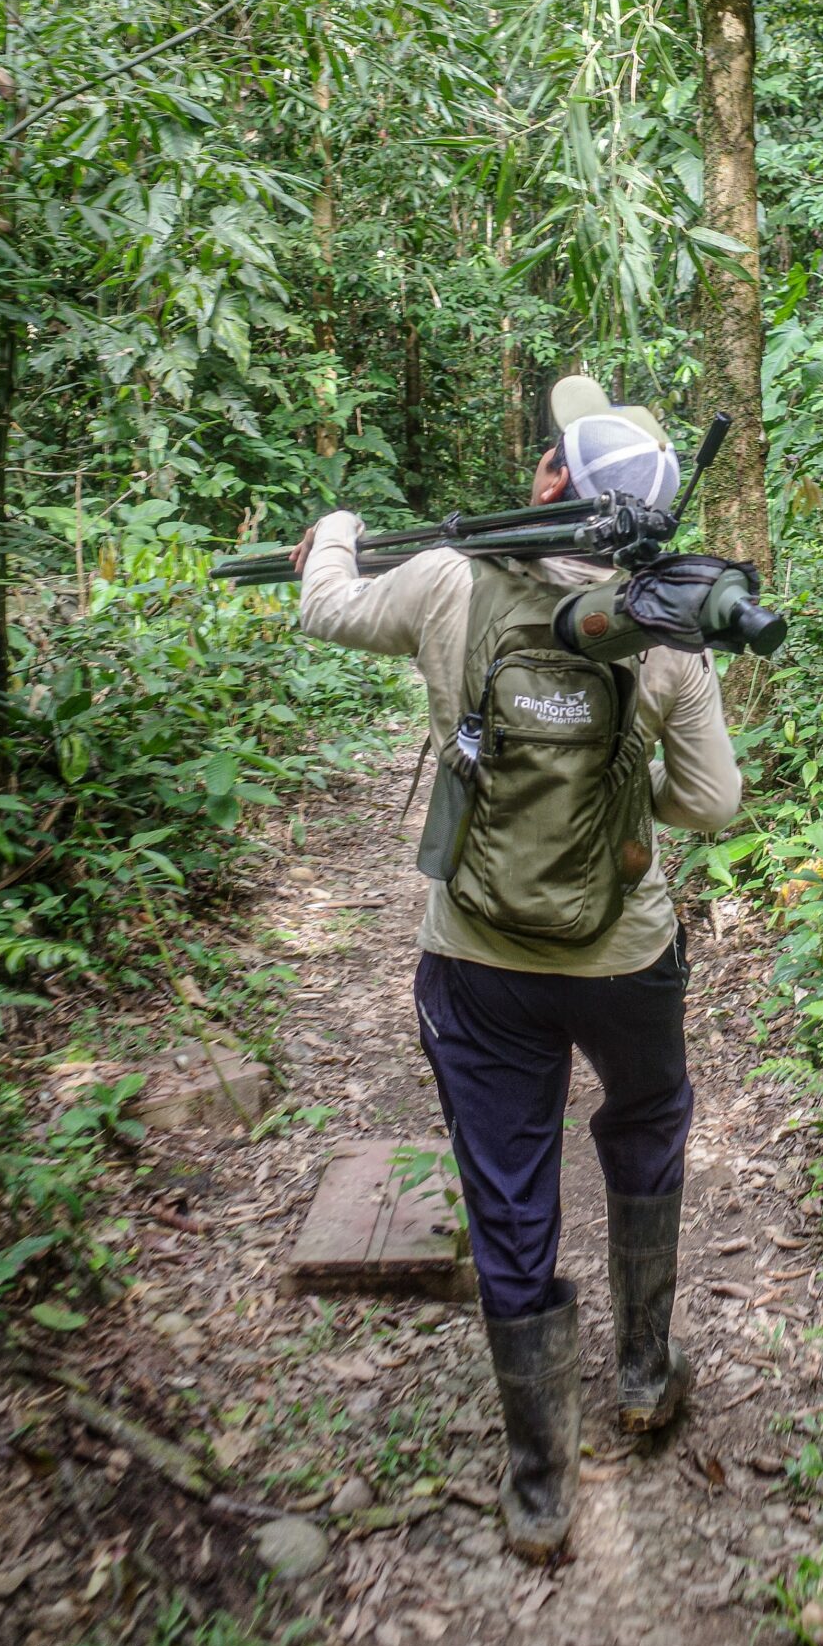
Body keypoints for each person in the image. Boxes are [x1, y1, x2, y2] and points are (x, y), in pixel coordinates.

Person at [289, 376, 743, 1561]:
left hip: (476, 953)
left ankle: (539, 1485)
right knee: (645, 1121)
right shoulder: (664, 624)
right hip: (624, 951)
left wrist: (334, 530)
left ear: (551, 483)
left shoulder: (449, 579)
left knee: (506, 1186)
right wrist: (622, 795)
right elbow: (712, 801)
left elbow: (326, 606)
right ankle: (642, 1372)